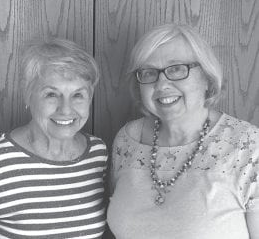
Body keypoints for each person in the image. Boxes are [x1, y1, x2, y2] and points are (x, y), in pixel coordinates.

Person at [107, 24, 259, 239]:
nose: (162, 84)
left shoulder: (247, 145)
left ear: (207, 77)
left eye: (177, 69)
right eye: (149, 72)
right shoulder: (127, 140)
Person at [0, 38, 108, 238]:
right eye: (51, 94)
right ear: (28, 95)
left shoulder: (98, 154)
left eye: (78, 95)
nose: (66, 109)